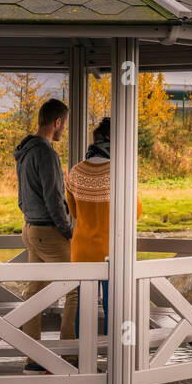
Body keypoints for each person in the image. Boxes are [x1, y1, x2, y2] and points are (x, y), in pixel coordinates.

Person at [14, 99, 76, 375]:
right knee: (77, 287)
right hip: (49, 231)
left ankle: (33, 355)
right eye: (65, 123)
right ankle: (70, 353)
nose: (64, 128)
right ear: (57, 123)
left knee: (35, 292)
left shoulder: (25, 151)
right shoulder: (47, 153)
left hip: (30, 229)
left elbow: (20, 198)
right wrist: (68, 231)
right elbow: (54, 199)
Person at [66, 118, 141, 335]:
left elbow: (73, 212)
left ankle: (83, 361)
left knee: (84, 308)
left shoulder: (75, 172)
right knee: (114, 308)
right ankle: (114, 361)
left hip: (82, 251)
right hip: (112, 251)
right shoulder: (120, 172)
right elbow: (135, 212)